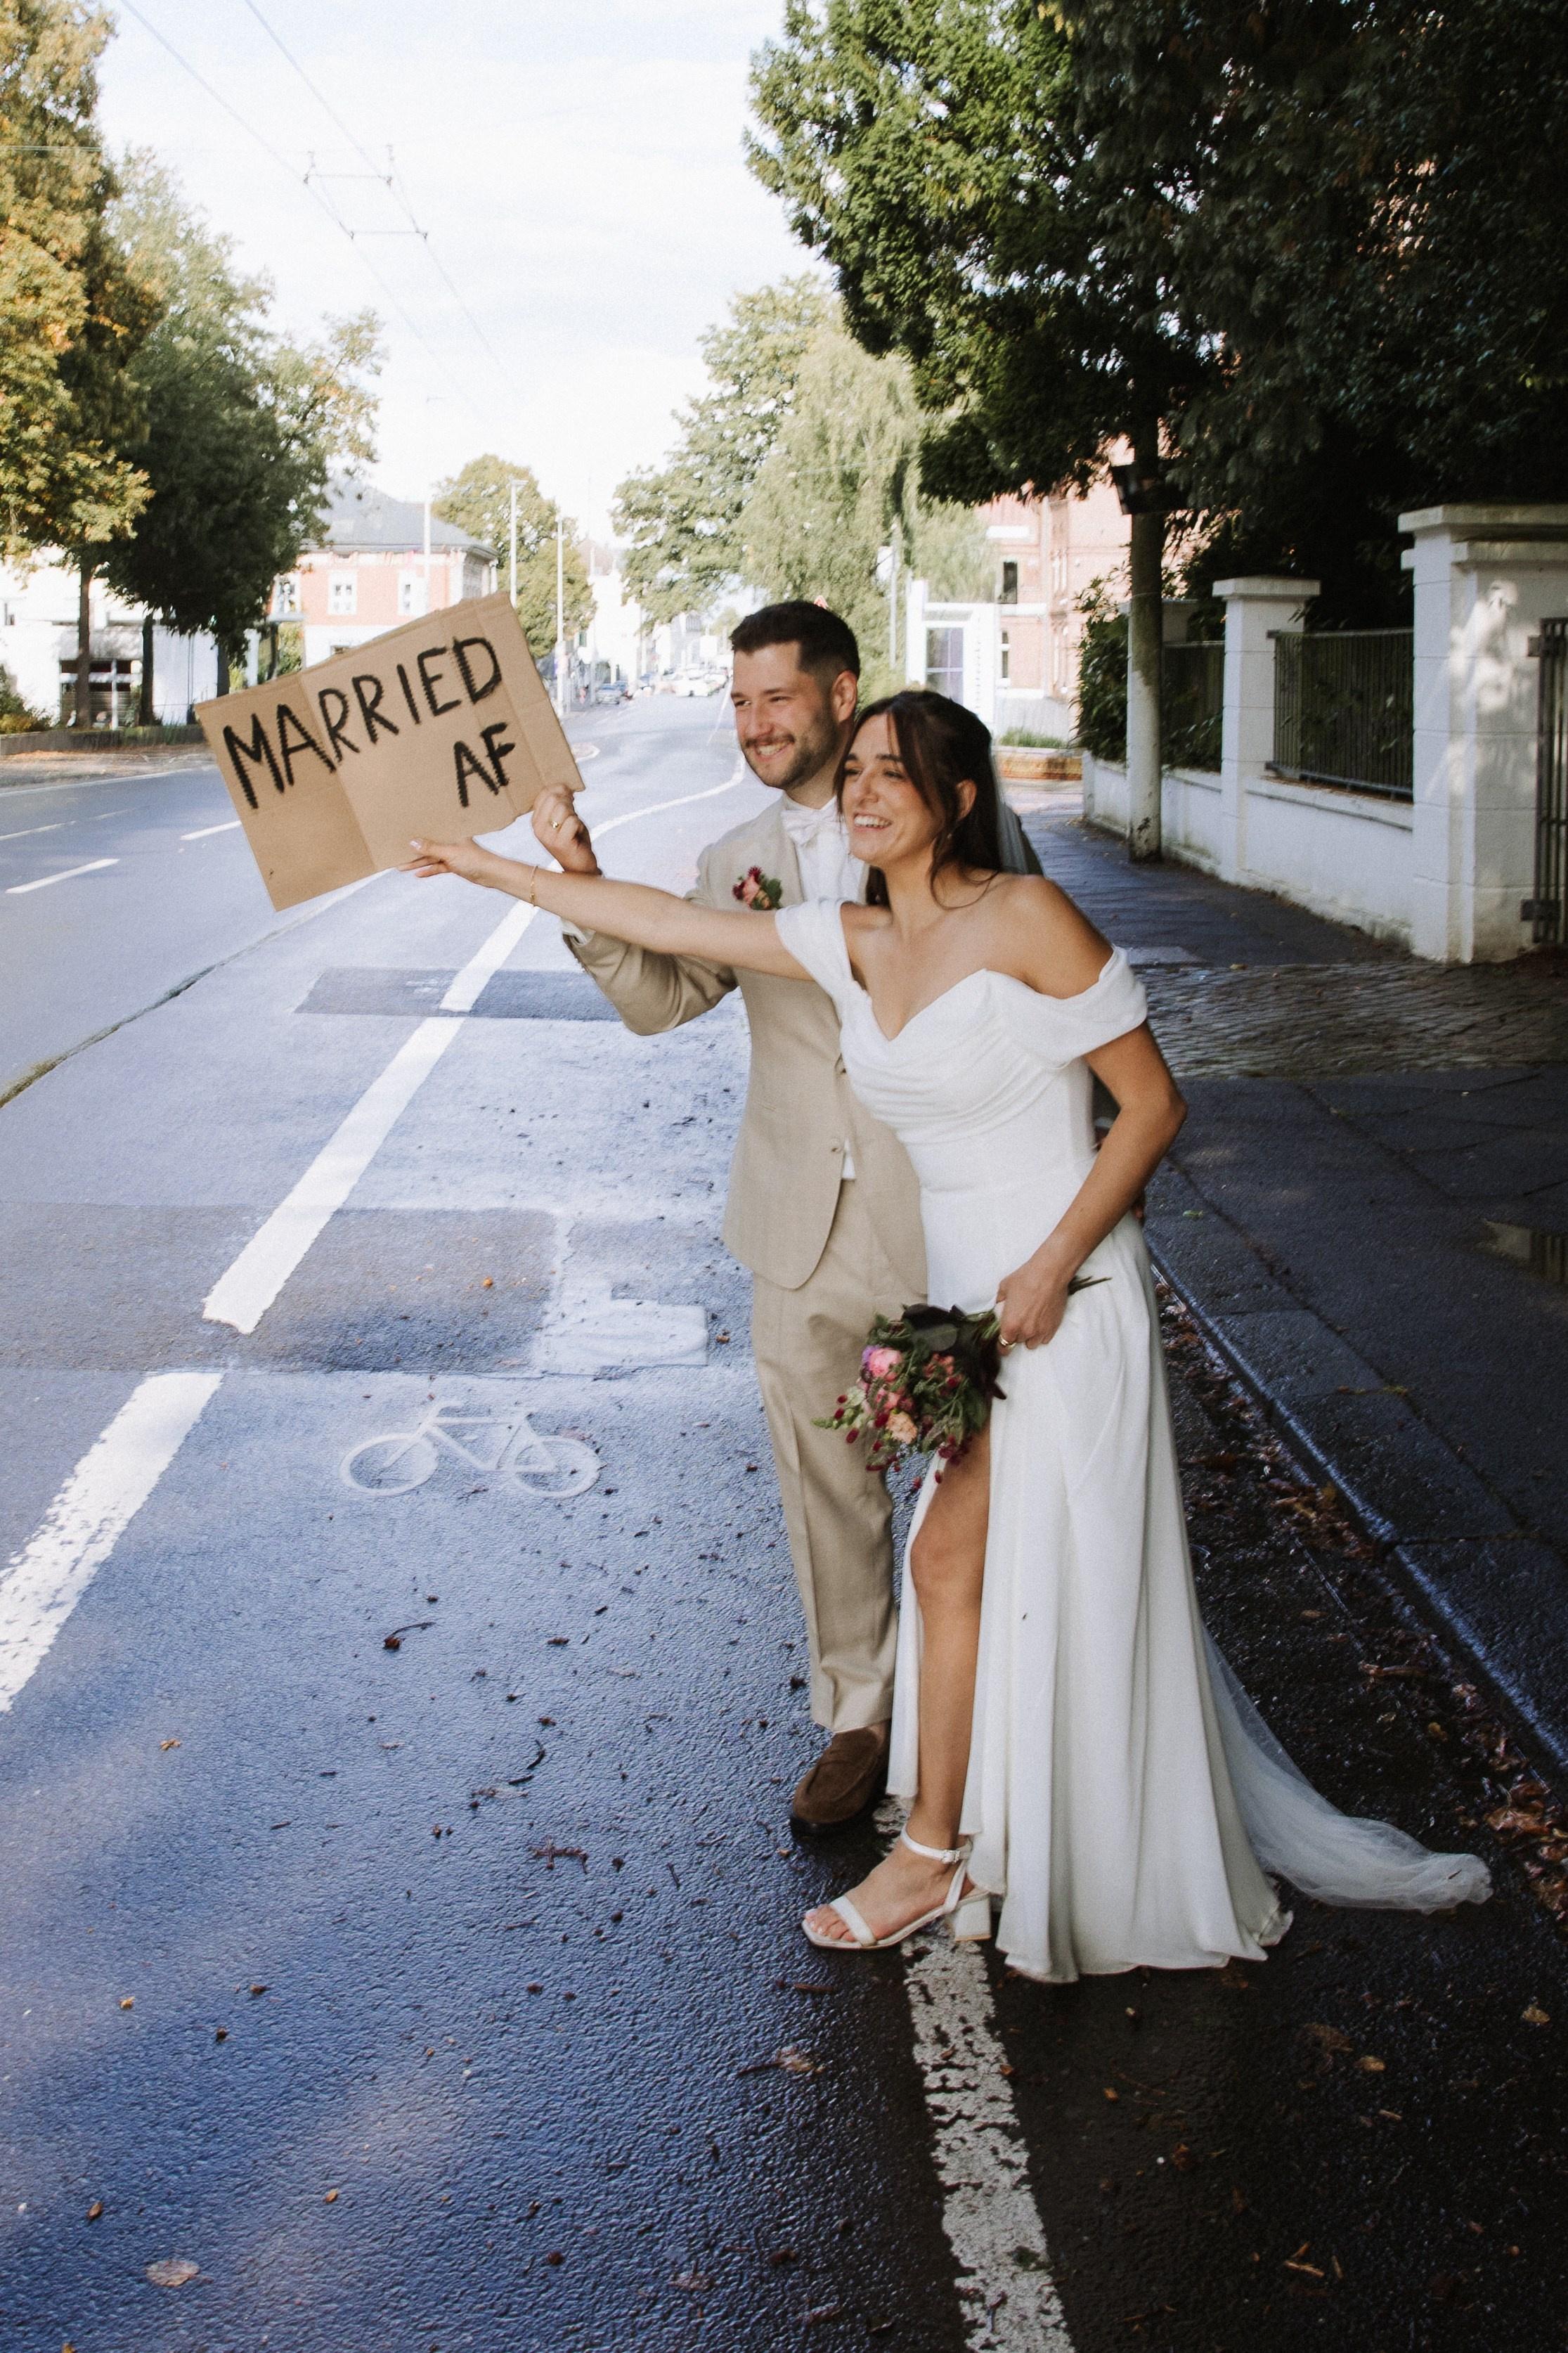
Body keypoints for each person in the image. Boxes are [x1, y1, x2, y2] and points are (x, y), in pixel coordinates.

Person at [404, 689, 1488, 1982]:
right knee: (966, 1576)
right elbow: (671, 923)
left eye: (893, 777)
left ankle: (955, 1852)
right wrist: (491, 869)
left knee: (996, 1574)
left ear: (957, 800)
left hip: (1065, 1305)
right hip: (964, 1318)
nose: (863, 794)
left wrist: (1047, 1271)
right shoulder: (855, 940)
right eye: (853, 771)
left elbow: (1150, 1107)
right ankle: (968, 1843)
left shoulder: (1024, 917)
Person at [546, 600, 1037, 1841]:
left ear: (839, 694)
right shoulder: (735, 858)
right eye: (741, 702)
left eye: (779, 699)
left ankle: (991, 1714)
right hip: (792, 1222)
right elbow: (666, 998)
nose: (757, 724)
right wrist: (582, 887)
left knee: (974, 1471)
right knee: (826, 1484)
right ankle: (858, 1719)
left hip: (940, 1219)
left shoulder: (929, 834)